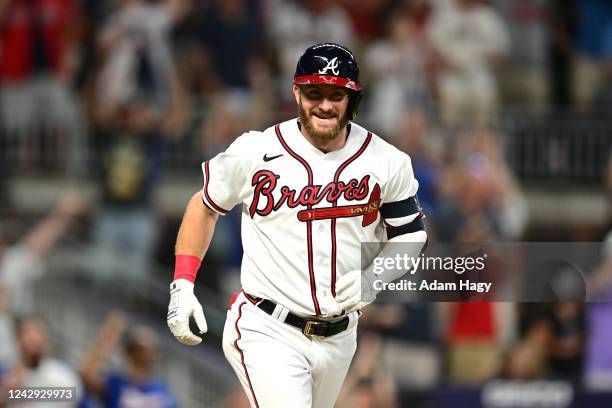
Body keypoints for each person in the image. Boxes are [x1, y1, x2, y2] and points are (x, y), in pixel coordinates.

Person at [166, 43, 427, 408]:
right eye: (313, 92)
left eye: (336, 94)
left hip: (340, 336)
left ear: (354, 99)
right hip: (267, 325)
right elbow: (204, 205)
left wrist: (374, 279)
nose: (324, 104)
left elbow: (411, 233)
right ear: (296, 93)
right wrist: (182, 284)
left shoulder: (387, 161)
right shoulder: (256, 150)